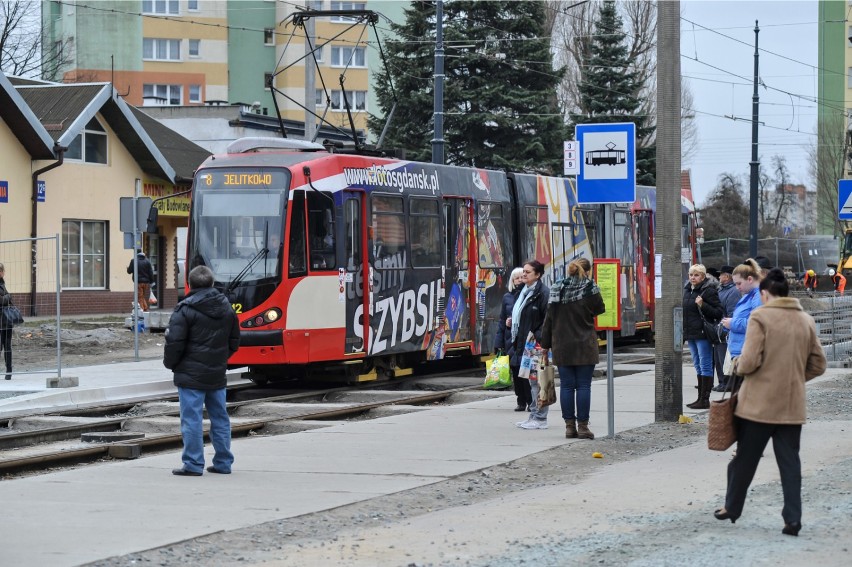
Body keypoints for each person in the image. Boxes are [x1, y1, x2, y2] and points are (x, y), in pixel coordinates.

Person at [714, 268, 826, 535]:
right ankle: (793, 519)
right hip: (791, 406)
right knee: (790, 462)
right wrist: (795, 378)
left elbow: (750, 361)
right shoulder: (805, 320)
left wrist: (738, 363)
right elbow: (819, 365)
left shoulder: (760, 317)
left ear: (764, 293)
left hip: (758, 406)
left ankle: (732, 507)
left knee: (744, 459)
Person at [164, 265, 240, 476]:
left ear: (189, 284)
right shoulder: (227, 308)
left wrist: (171, 364)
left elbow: (174, 343)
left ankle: (193, 464)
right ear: (212, 284)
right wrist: (220, 359)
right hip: (216, 373)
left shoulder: (184, 309)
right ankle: (224, 463)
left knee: (191, 420)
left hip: (190, 375)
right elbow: (235, 341)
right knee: (220, 418)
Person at [541, 257, 605, 440]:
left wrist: (545, 345)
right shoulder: (589, 288)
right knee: (584, 386)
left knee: (567, 386)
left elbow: (549, 320)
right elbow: (600, 309)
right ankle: (583, 427)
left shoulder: (556, 289)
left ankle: (569, 427)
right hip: (585, 345)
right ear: (588, 271)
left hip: (562, 345)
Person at [508, 260, 549, 429]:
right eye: (523, 271)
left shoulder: (542, 293)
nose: (524, 274)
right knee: (532, 381)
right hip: (527, 343)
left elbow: (547, 319)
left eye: (528, 272)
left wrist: (540, 337)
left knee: (540, 382)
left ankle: (540, 419)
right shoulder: (523, 292)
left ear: (537, 275)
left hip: (537, 344)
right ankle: (533, 416)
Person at [683, 264, 723, 410]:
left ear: (703, 276)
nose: (693, 278)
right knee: (697, 364)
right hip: (691, 333)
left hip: (703, 333)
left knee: (705, 364)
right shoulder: (688, 290)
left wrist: (703, 305)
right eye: (691, 275)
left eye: (697, 275)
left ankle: (704, 399)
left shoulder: (709, 291)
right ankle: (699, 398)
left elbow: (718, 312)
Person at [721, 259, 763, 393]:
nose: (737, 287)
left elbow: (757, 323)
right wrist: (729, 324)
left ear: (750, 279)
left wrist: (732, 323)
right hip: (741, 352)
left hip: (747, 353)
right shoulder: (749, 295)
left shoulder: (757, 296)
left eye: (739, 283)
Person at [494, 267, 525, 410]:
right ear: (512, 281)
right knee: (515, 372)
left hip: (523, 339)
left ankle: (530, 400)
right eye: (516, 278)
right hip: (509, 339)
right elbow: (501, 320)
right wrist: (498, 343)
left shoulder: (526, 294)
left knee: (525, 371)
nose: (519, 280)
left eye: (521, 277)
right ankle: (520, 401)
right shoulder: (507, 297)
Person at [713, 265, 739, 392]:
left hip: (724, 328)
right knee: (718, 358)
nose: (719, 277)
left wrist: (725, 327)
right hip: (719, 328)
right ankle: (722, 382)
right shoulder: (721, 289)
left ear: (727, 276)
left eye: (721, 274)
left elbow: (731, 311)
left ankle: (726, 383)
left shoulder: (733, 291)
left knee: (724, 358)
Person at [0, 263, 13, 380]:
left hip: (6, 320)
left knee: (7, 346)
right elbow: (2, 299)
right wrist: (8, 296)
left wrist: (8, 297)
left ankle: (9, 370)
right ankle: (8, 371)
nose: (4, 273)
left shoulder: (2, 283)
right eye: (3, 271)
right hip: (1, 320)